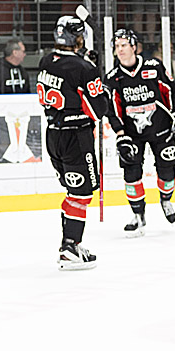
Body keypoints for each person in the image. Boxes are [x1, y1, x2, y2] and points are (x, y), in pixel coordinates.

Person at [36, 16, 108, 270]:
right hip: (76, 137)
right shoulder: (84, 68)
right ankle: (69, 247)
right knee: (81, 193)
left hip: (53, 134)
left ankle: (72, 245)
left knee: (74, 191)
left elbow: (66, 76)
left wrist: (86, 63)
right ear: (76, 38)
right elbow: (99, 108)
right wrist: (95, 74)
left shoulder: (46, 61)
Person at [105, 28, 175, 235]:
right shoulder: (113, 78)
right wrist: (120, 134)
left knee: (167, 171)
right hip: (132, 134)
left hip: (161, 129)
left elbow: (171, 90)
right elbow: (112, 109)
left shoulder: (153, 67)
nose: (120, 49)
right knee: (131, 174)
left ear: (134, 47)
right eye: (117, 46)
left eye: (124, 45)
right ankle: (138, 214)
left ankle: (166, 200)